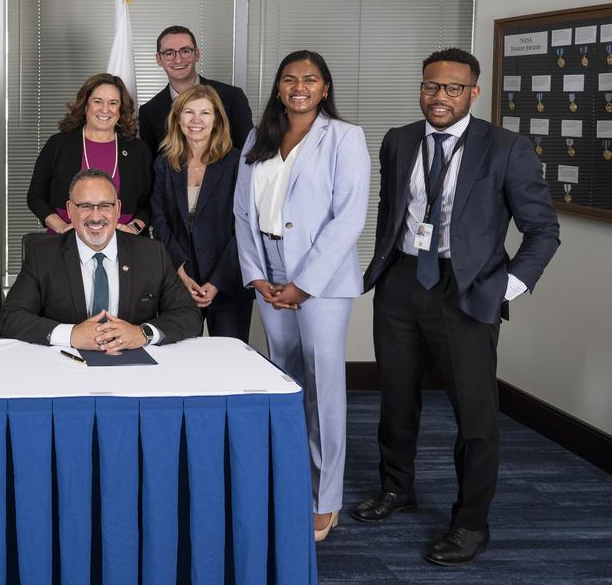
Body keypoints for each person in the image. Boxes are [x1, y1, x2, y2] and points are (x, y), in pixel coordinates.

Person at [352, 48, 560, 566]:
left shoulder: (507, 148)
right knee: (396, 399)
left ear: (473, 91)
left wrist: (503, 289)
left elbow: (542, 230)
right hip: (401, 282)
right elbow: (391, 211)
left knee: (475, 414)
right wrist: (379, 267)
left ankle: (470, 522)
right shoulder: (399, 141)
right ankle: (397, 489)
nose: (438, 96)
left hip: (467, 291)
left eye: (451, 88)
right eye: (430, 86)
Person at [233, 50, 369, 543]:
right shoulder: (258, 138)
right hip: (268, 272)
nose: (299, 87)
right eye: (289, 79)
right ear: (278, 87)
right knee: (283, 377)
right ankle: (290, 478)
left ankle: (324, 497)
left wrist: (303, 283)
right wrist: (256, 275)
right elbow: (243, 214)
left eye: (310, 80)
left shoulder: (344, 138)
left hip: (322, 279)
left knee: (323, 383)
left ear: (325, 88)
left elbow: (349, 217)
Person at [1, 168, 201, 348]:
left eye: (105, 206)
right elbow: (11, 317)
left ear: (118, 209)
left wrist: (142, 333)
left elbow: (188, 314)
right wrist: (70, 335)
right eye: (85, 206)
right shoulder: (42, 255)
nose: (96, 217)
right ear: (70, 210)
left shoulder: (151, 253)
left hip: (135, 368)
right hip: (66, 365)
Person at [150, 84, 253, 341]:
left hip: (228, 279)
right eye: (188, 112)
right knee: (181, 360)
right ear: (177, 118)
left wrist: (217, 282)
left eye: (205, 113)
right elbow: (159, 219)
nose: (196, 120)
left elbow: (244, 225)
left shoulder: (237, 162)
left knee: (229, 364)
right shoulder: (164, 162)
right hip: (180, 280)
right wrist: (180, 271)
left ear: (217, 119)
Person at [27, 73, 153, 235]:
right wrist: (60, 226)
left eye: (113, 103)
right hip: (67, 241)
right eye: (97, 101)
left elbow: (151, 201)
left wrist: (134, 227)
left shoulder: (138, 150)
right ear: (85, 105)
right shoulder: (59, 144)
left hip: (124, 242)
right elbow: (36, 197)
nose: (105, 109)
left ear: (120, 110)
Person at [138, 25, 254, 158]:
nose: (178, 59)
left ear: (197, 54)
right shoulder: (149, 112)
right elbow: (151, 167)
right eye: (169, 53)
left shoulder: (232, 97)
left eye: (185, 51)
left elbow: (247, 154)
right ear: (159, 59)